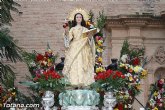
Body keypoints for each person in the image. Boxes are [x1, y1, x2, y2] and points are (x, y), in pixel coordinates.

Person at [62, 12, 96, 87]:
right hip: (74, 48)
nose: (78, 18)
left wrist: (90, 36)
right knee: (74, 64)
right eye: (77, 17)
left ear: (82, 19)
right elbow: (68, 39)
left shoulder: (85, 29)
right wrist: (66, 30)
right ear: (75, 19)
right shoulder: (72, 29)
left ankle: (83, 83)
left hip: (83, 49)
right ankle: (74, 83)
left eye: (80, 17)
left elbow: (90, 40)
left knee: (83, 63)